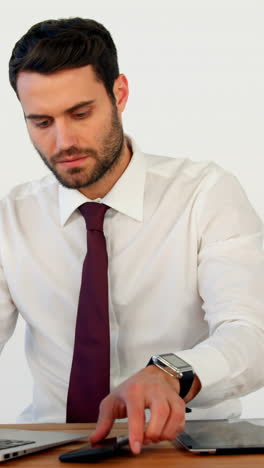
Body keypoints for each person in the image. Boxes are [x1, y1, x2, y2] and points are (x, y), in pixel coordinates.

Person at [3, 16, 264, 455]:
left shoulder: (205, 193)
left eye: (80, 113)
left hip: (184, 447)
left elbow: (252, 333)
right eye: (42, 122)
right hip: (52, 449)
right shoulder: (12, 217)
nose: (63, 141)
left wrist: (171, 372)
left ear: (119, 94)